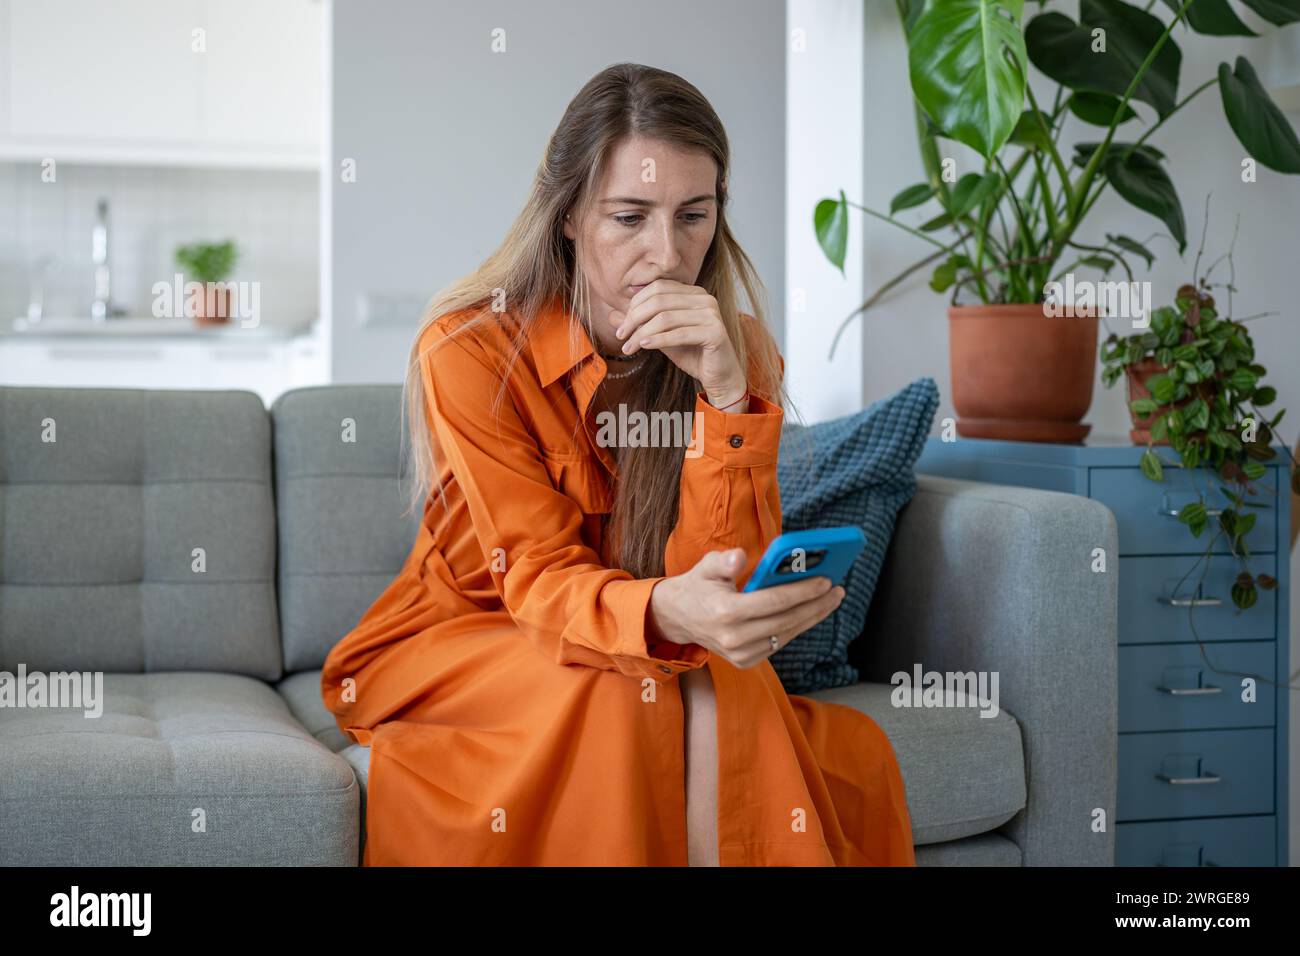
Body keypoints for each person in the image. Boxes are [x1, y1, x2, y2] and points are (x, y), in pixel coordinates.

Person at [320, 62, 916, 866]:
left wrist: (726, 397)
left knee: (693, 679)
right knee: (635, 685)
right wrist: (667, 616)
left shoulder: (736, 350)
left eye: (692, 217)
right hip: (473, 638)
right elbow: (532, 574)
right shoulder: (470, 349)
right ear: (568, 215)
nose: (666, 255)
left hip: (647, 632)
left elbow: (721, 575)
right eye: (629, 218)